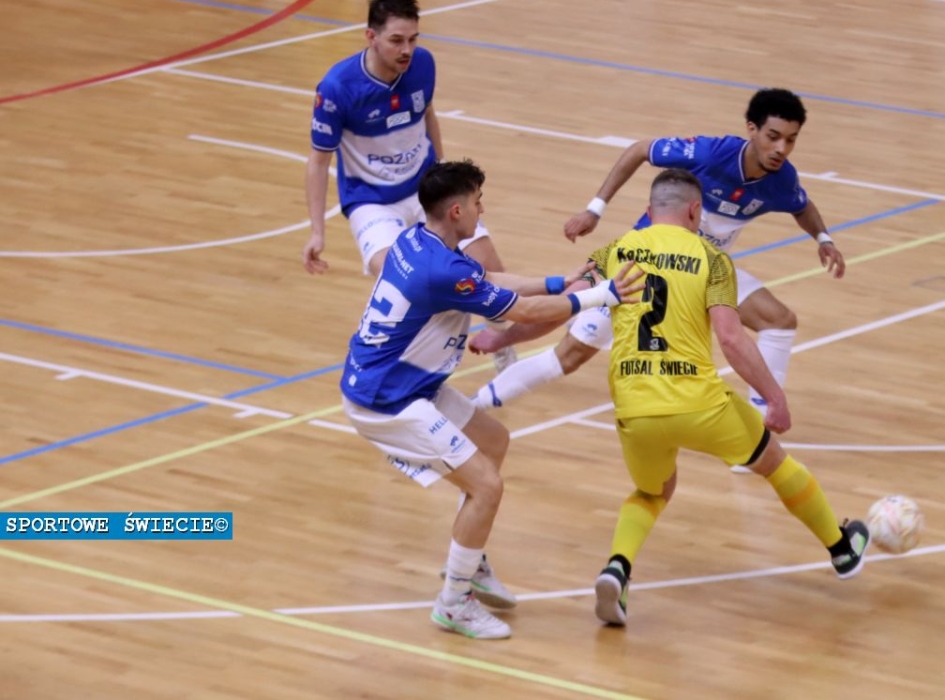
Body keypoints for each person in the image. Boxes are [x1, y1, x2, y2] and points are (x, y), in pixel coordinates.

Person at [468, 89, 846, 473]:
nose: (781, 148)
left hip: (702, 269)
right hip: (645, 266)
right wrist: (594, 209)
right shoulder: (710, 153)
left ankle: (759, 432)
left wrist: (823, 239)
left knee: (779, 320)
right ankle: (472, 406)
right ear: (752, 129)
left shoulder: (781, 178)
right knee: (569, 351)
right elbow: (638, 150)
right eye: (773, 136)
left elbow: (802, 205)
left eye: (791, 140)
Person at [339, 160, 641, 639]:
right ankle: (453, 603)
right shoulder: (441, 270)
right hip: (386, 400)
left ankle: (469, 560)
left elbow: (490, 280)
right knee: (487, 487)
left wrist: (560, 282)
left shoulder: (419, 241)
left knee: (493, 441)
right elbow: (522, 311)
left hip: (405, 383)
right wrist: (600, 297)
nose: (483, 209)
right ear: (456, 210)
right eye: (478, 201)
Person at [579, 169, 868, 627]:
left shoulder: (614, 251)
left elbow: (566, 302)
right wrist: (774, 397)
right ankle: (841, 547)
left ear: (650, 211)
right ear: (695, 211)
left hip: (635, 405)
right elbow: (732, 339)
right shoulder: (711, 259)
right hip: (701, 404)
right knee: (774, 463)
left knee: (652, 491)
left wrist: (504, 334)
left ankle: (618, 568)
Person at [304, 0, 518, 370]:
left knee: (487, 265)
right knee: (404, 282)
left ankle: (501, 341)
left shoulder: (423, 64)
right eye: (397, 40)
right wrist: (317, 232)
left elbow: (428, 114)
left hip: (426, 189)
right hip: (371, 202)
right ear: (371, 37)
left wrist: (445, 173)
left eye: (413, 39)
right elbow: (318, 162)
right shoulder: (337, 88)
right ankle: (405, 367)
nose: (407, 50)